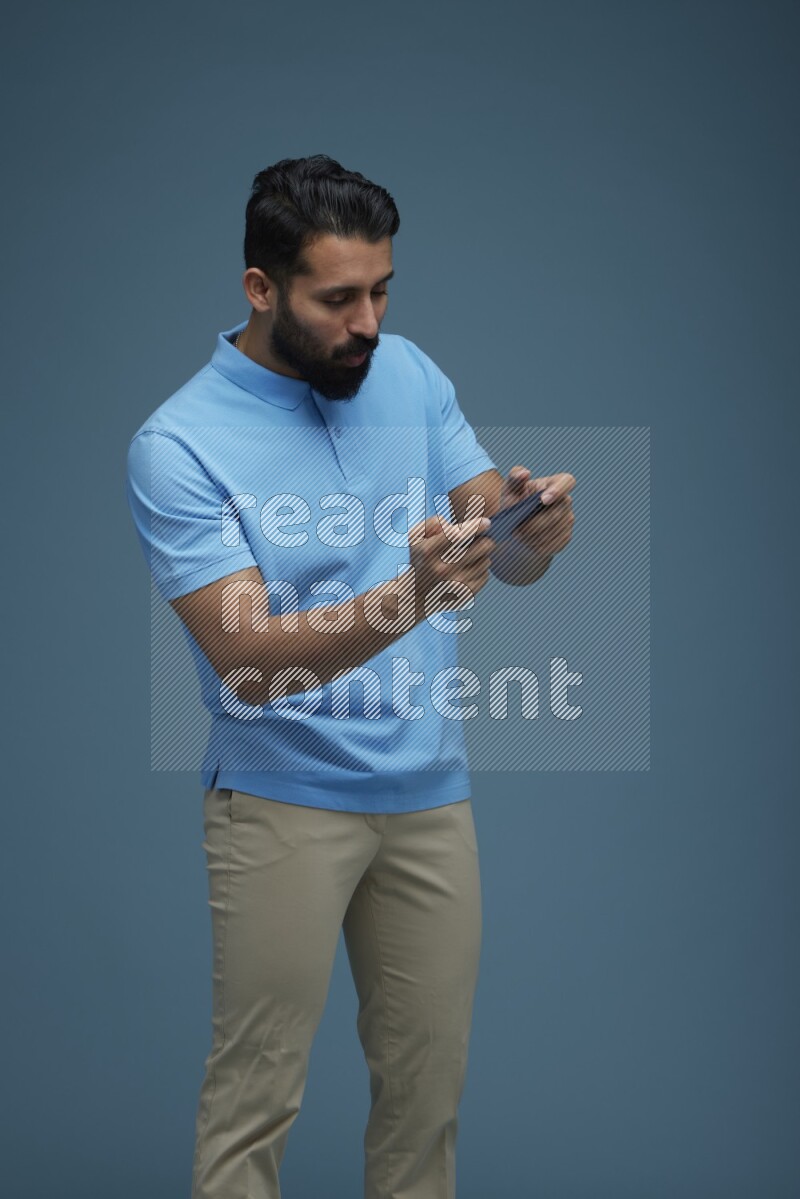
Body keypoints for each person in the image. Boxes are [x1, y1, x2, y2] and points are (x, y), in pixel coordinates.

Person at [126, 154, 575, 1199]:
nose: (366, 321)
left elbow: (492, 544)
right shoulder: (178, 443)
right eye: (337, 298)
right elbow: (245, 659)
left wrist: (531, 528)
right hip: (280, 800)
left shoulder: (408, 372)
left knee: (426, 1100)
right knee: (255, 1104)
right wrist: (408, 596)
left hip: (429, 794)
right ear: (259, 288)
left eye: (379, 291)